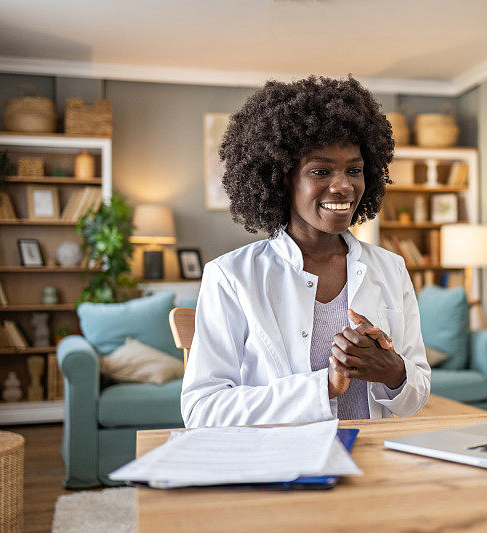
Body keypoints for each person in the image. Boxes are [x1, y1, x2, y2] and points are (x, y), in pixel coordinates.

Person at [181, 75, 430, 427]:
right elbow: (202, 410)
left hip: (379, 461)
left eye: (354, 170)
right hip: (284, 466)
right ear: (283, 178)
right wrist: (323, 386)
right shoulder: (231, 276)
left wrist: (393, 372)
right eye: (321, 170)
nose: (343, 185)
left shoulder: (390, 268)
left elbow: (416, 397)